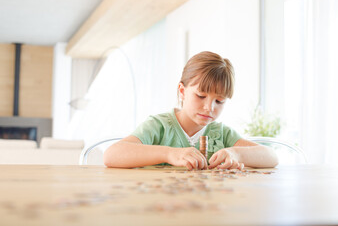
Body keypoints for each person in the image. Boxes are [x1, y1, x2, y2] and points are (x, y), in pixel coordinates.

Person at [104, 51, 278, 170]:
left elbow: (271, 157)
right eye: (201, 96)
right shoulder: (159, 126)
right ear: (182, 91)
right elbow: (111, 155)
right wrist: (169, 154)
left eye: (219, 101)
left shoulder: (222, 134)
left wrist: (236, 154)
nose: (209, 107)